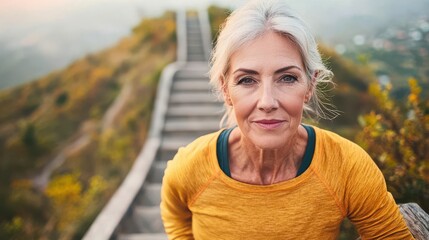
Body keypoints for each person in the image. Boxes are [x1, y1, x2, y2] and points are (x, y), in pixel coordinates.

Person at [160, 0, 414, 239]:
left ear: (310, 85)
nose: (267, 102)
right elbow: (176, 219)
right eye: (247, 80)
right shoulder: (189, 168)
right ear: (226, 90)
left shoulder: (346, 168)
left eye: (287, 78)